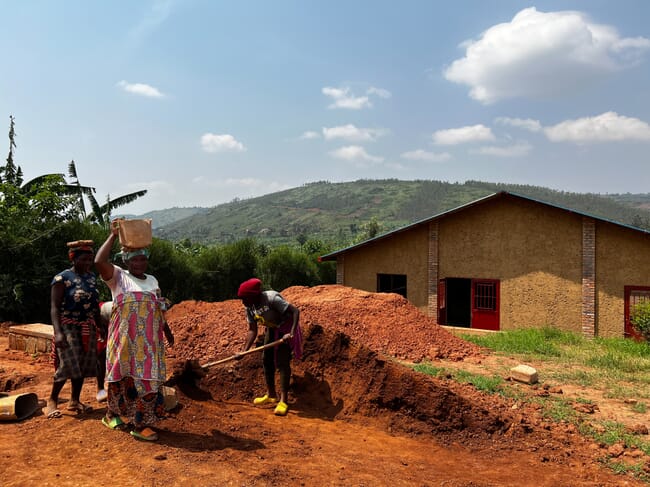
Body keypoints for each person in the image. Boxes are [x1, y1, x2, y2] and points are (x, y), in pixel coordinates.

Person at [94, 222, 174, 441]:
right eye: (135, 259)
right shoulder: (118, 278)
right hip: (124, 341)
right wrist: (112, 235)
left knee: (147, 380)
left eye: (143, 258)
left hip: (149, 344)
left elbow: (158, 309)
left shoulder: (153, 280)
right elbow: (99, 261)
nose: (140, 263)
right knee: (119, 376)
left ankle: (140, 423)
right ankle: (111, 415)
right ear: (126, 260)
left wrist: (167, 330)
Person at [45, 240, 100, 419]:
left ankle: (74, 400)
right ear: (73, 259)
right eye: (83, 259)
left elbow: (94, 305)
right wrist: (58, 332)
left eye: (90, 259)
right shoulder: (62, 278)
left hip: (87, 326)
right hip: (68, 326)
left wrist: (100, 326)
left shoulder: (91, 277)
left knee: (83, 364)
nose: (87, 263)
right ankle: (52, 400)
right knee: (68, 363)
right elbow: (54, 307)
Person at [237, 278, 302, 416]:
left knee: (282, 361)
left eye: (245, 298)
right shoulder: (249, 307)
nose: (243, 302)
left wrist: (290, 333)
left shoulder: (272, 298)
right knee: (266, 359)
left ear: (254, 295)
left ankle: (284, 401)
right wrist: (244, 351)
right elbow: (252, 330)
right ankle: (271, 395)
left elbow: (295, 311)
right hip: (272, 329)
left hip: (286, 328)